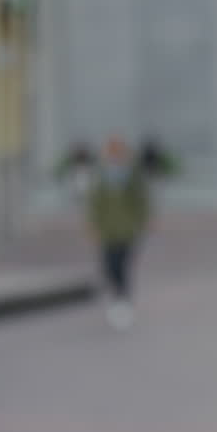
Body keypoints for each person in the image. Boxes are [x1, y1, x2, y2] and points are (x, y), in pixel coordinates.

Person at [86, 134, 150, 330]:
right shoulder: (101, 174)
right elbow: (94, 202)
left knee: (123, 265)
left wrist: (142, 221)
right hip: (107, 230)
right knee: (109, 266)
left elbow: (141, 199)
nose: (115, 153)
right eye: (112, 149)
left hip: (127, 229)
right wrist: (93, 225)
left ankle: (123, 301)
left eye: (118, 149)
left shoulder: (132, 173)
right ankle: (117, 298)